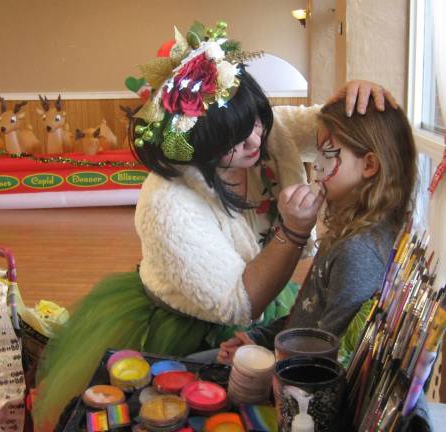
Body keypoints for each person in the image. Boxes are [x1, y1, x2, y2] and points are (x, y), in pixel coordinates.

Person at [32, 20, 396, 428]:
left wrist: (356, 94)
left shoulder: (264, 131)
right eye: (232, 141)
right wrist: (293, 231)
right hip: (192, 326)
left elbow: (339, 132)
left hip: (266, 319)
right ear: (194, 148)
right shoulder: (167, 203)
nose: (255, 142)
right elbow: (240, 303)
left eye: (254, 120)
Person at [217, 97, 417, 365]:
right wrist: (260, 340)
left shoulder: (357, 254)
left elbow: (326, 364)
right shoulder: (348, 232)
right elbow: (307, 317)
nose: (317, 171)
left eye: (327, 154)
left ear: (369, 165)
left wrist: (261, 368)